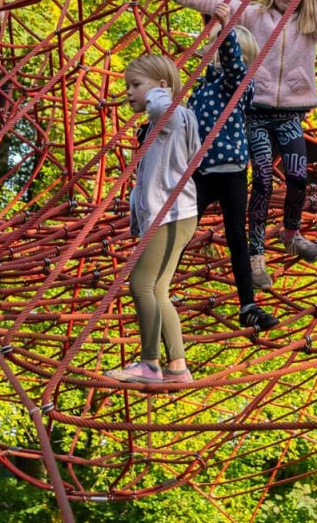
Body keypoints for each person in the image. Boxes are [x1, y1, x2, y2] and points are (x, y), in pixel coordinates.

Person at [163, 0, 317, 290]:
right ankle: (256, 255)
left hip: (290, 114)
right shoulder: (255, 16)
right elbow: (218, 3)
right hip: (255, 111)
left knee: (298, 174)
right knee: (264, 181)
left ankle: (291, 233)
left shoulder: (311, 24)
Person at [110, 54, 201, 385]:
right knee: (159, 291)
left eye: (136, 85)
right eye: (128, 86)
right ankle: (178, 367)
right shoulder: (156, 128)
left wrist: (157, 94)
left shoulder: (172, 117)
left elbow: (166, 110)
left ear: (161, 88)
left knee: (141, 284)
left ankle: (150, 364)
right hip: (170, 216)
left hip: (173, 214)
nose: (129, 93)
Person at [185, 11, 277, 330]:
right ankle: (159, 280)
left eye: (226, 51)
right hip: (200, 171)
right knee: (182, 228)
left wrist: (225, 31)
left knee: (236, 234)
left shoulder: (240, 85)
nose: (222, 56)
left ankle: (247, 304)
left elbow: (234, 66)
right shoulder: (199, 88)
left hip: (232, 170)